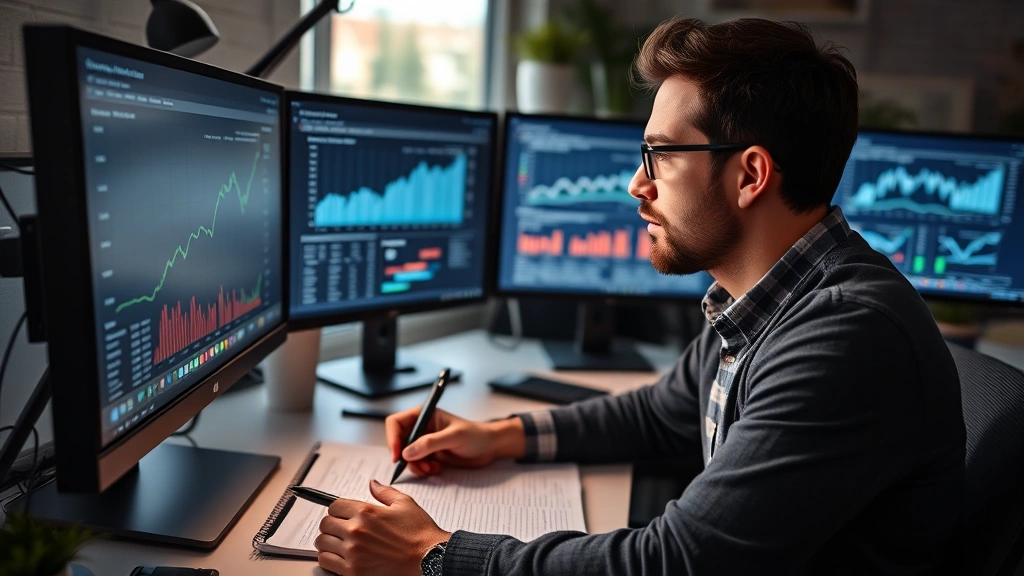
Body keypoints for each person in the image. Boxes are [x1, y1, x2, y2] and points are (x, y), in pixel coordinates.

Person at [314, 16, 966, 576]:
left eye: (659, 155)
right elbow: (661, 414)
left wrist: (435, 555)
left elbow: (679, 563)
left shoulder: (844, 335)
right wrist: (501, 435)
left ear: (750, 175)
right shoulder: (767, 295)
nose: (636, 184)